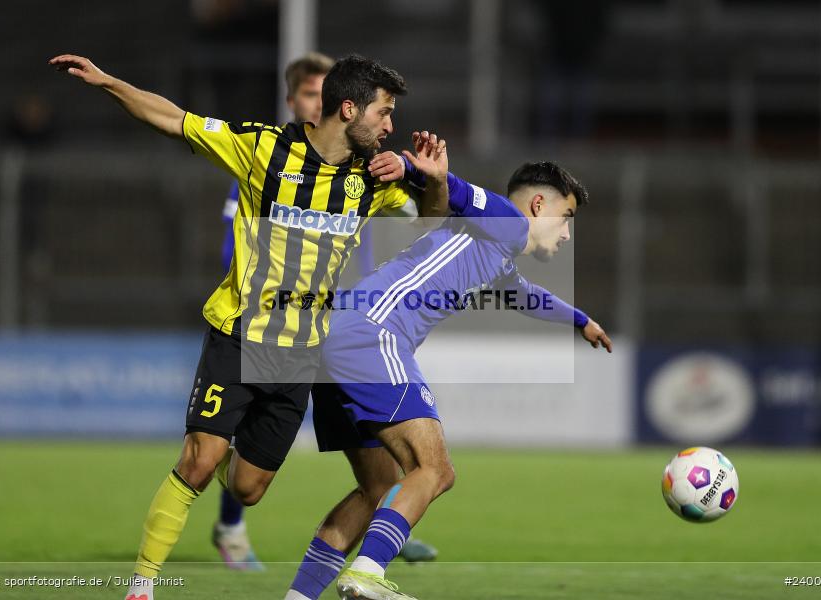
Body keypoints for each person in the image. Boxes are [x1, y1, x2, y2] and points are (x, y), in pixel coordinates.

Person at [48, 52, 450, 600]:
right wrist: (106, 81)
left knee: (248, 486)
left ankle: (227, 482)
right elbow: (174, 118)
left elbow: (431, 220)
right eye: (384, 112)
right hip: (238, 333)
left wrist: (434, 179)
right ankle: (141, 586)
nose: (390, 125)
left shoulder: (373, 177)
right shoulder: (265, 147)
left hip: (300, 354)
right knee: (198, 460)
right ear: (349, 108)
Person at [283, 157, 612, 600]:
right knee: (435, 470)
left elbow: (525, 296)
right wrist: (408, 165)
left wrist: (579, 319)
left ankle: (298, 597)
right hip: (374, 335)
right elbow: (452, 187)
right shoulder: (509, 221)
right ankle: (366, 572)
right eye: (566, 218)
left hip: (337, 334)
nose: (567, 233)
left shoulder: (496, 251)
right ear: (538, 204)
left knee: (378, 488)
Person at [213, 53, 438, 570]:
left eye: (324, 93)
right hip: (276, 325)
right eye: (309, 95)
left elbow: (423, 218)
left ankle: (386, 529)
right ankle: (231, 527)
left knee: (384, 471)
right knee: (242, 459)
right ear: (296, 103)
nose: (319, 103)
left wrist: (421, 177)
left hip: (344, 330)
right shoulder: (265, 163)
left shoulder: (366, 176)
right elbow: (235, 249)